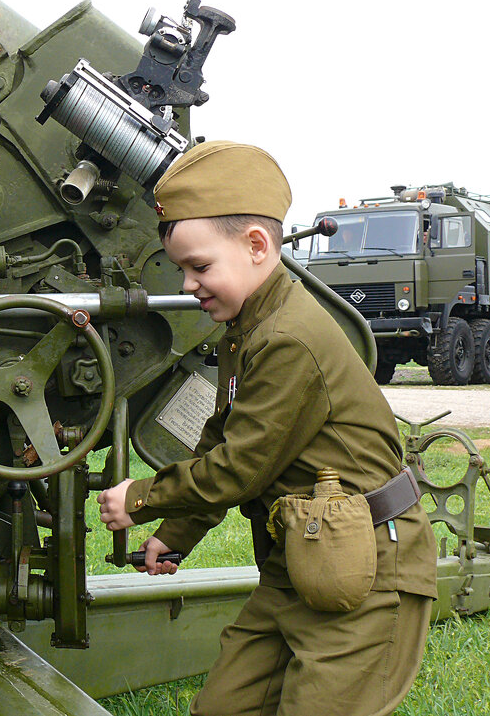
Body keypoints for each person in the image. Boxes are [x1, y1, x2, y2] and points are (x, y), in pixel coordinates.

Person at [95, 141, 437, 716]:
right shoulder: (248, 328)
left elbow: (239, 467)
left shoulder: (287, 336)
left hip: (366, 567)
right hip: (298, 560)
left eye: (200, 267)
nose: (187, 285)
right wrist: (176, 533)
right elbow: (223, 439)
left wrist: (142, 499)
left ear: (256, 245)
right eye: (182, 269)